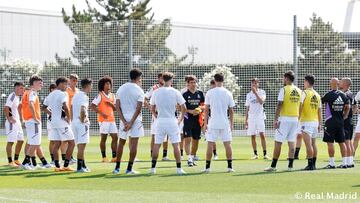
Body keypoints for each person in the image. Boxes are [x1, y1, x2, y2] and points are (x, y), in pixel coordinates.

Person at [150, 72, 187, 175]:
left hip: (160, 121)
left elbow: (152, 107)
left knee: (157, 144)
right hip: (172, 121)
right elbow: (184, 108)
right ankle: (179, 169)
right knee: (175, 145)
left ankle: (153, 169)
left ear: (162, 80)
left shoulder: (156, 92)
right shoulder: (175, 92)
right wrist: (180, 119)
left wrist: (155, 116)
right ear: (171, 80)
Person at [265, 70, 301, 172]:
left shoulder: (284, 89)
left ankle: (273, 166)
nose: (282, 79)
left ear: (286, 78)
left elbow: (280, 104)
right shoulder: (298, 90)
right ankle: (290, 166)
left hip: (285, 119)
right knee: (291, 142)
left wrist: (276, 119)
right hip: (295, 119)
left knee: (278, 142)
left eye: (283, 78)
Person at [113, 68, 145, 174]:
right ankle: (129, 169)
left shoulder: (121, 88)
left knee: (121, 143)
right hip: (135, 120)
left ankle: (117, 168)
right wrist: (131, 122)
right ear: (138, 78)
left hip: (124, 119)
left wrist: (124, 121)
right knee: (134, 144)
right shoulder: (139, 90)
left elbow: (117, 107)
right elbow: (139, 108)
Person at [203, 73, 235, 173]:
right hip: (225, 122)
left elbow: (206, 109)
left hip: (213, 123)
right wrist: (231, 123)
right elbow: (231, 110)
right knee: (227, 144)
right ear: (223, 80)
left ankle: (207, 168)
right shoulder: (228, 93)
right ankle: (230, 167)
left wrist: (205, 124)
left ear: (215, 80)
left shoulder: (209, 92)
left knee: (210, 144)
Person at [43, 77, 76, 172]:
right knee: (72, 143)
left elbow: (44, 107)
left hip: (53, 122)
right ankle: (66, 165)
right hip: (62, 123)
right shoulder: (63, 94)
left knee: (57, 144)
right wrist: (69, 119)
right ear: (60, 84)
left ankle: (57, 167)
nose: (67, 86)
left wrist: (52, 114)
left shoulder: (50, 94)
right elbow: (65, 107)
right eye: (66, 84)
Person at [20, 75, 51, 170]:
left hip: (29, 120)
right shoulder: (32, 92)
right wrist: (35, 117)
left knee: (32, 142)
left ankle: (32, 163)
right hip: (33, 120)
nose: (41, 84)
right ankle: (25, 163)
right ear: (33, 84)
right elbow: (30, 104)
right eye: (39, 83)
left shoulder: (26, 92)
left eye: (41, 83)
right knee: (35, 143)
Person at [322, 78, 350, 169]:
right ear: (338, 84)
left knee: (330, 142)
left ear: (331, 84)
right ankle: (345, 163)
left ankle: (332, 163)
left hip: (330, 121)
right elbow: (348, 106)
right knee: (342, 142)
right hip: (340, 122)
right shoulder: (343, 95)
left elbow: (320, 103)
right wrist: (345, 116)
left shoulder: (328, 94)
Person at [91, 76, 118, 163]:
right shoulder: (100, 95)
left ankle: (114, 157)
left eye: (109, 83)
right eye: (107, 83)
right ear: (103, 85)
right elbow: (92, 105)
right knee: (104, 139)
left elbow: (115, 109)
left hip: (112, 120)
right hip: (103, 120)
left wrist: (111, 104)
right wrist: (102, 113)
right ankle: (104, 157)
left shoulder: (113, 95)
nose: (108, 85)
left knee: (115, 137)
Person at [298, 75, 322, 170]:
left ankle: (310, 164)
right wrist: (320, 123)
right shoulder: (317, 95)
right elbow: (319, 110)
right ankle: (314, 164)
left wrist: (298, 118)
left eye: (304, 82)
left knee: (308, 145)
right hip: (315, 122)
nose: (303, 84)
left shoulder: (304, 93)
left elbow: (300, 106)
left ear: (307, 82)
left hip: (306, 122)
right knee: (313, 144)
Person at [145, 73, 170, 161]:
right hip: (156, 116)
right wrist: (151, 109)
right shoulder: (154, 88)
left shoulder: (169, 88)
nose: (163, 80)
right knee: (154, 135)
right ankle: (152, 154)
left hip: (166, 115)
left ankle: (165, 155)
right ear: (159, 79)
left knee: (166, 135)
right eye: (161, 78)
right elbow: (144, 98)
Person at [182, 75, 205, 167]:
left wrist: (199, 109)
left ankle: (192, 156)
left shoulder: (200, 93)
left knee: (196, 140)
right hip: (188, 120)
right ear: (187, 84)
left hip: (197, 121)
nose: (193, 84)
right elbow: (180, 108)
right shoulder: (184, 95)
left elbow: (204, 105)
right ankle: (189, 159)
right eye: (191, 82)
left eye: (194, 82)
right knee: (187, 140)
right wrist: (190, 111)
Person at [245, 78, 269, 160]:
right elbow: (247, 108)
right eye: (252, 83)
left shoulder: (262, 92)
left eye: (255, 83)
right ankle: (255, 154)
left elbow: (261, 102)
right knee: (253, 135)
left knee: (262, 134)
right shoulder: (248, 95)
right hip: (251, 117)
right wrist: (246, 120)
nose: (254, 85)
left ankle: (265, 154)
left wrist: (255, 93)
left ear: (258, 84)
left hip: (260, 116)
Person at [72, 78, 93, 173]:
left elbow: (72, 107)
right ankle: (79, 167)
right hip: (81, 123)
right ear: (88, 86)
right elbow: (83, 109)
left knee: (79, 145)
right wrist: (83, 119)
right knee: (82, 146)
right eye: (91, 85)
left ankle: (83, 165)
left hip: (74, 122)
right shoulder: (84, 96)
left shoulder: (76, 95)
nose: (91, 87)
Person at [4, 82, 25, 167]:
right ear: (16, 88)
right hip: (11, 123)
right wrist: (9, 118)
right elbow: (6, 107)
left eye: (22, 88)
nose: (22, 90)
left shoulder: (17, 97)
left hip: (17, 123)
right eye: (21, 88)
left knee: (21, 140)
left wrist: (20, 119)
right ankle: (10, 161)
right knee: (11, 141)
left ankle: (16, 159)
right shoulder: (12, 96)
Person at [61, 74, 79, 163]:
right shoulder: (66, 90)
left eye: (76, 80)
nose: (74, 81)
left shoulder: (78, 91)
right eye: (73, 80)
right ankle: (64, 157)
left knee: (72, 138)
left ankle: (70, 156)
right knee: (65, 139)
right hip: (67, 117)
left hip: (76, 117)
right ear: (69, 80)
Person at [339, 78, 355, 168]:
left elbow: (347, 107)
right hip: (350, 120)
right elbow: (355, 106)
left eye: (341, 81)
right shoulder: (351, 94)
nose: (339, 82)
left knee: (346, 142)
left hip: (346, 121)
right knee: (349, 142)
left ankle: (346, 163)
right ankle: (350, 161)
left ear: (345, 84)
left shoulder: (345, 94)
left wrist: (344, 117)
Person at [42, 84, 57, 165]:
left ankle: (57, 158)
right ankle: (53, 159)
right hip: (51, 122)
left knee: (58, 141)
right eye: (53, 89)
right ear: (51, 89)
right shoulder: (48, 97)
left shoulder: (58, 97)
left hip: (58, 122)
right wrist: (51, 114)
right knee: (52, 141)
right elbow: (43, 108)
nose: (55, 90)